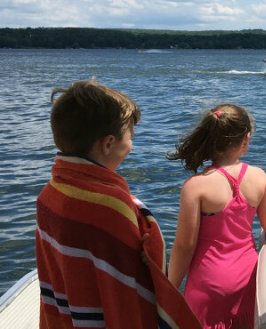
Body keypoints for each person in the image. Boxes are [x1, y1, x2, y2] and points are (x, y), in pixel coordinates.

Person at [36, 80, 200, 328]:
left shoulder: (50, 193)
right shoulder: (111, 208)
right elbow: (128, 290)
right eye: (130, 136)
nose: (131, 147)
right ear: (109, 143)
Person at [167, 104, 266, 328]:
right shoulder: (258, 177)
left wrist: (170, 289)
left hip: (208, 283)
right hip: (247, 279)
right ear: (246, 139)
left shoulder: (196, 186)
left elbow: (184, 246)